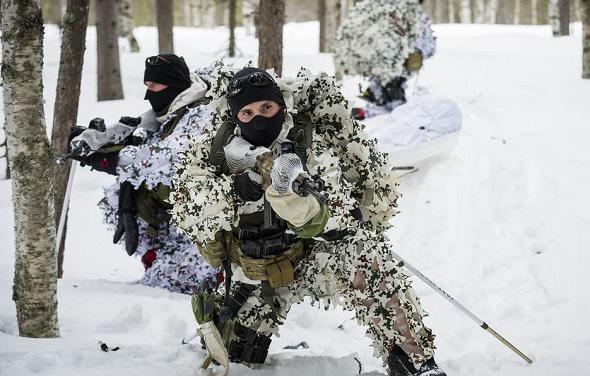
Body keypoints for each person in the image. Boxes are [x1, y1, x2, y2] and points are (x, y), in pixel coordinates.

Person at [171, 63, 447, 376]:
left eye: (267, 107)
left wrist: (291, 198)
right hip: (251, 276)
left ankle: (417, 363)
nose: (259, 118)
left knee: (363, 253)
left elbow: (339, 216)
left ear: (281, 104)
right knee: (232, 357)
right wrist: (234, 190)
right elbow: (187, 209)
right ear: (236, 118)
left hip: (308, 261)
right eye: (247, 113)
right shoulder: (217, 149)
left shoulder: (308, 142)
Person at [69, 54, 218, 294]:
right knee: (119, 195)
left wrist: (109, 160)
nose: (149, 94)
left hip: (207, 217)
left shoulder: (200, 115)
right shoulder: (171, 111)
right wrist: (98, 141)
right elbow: (143, 142)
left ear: (174, 85)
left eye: (154, 86)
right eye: (147, 86)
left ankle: (194, 267)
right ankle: (158, 255)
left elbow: (166, 159)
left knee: (173, 283)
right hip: (178, 209)